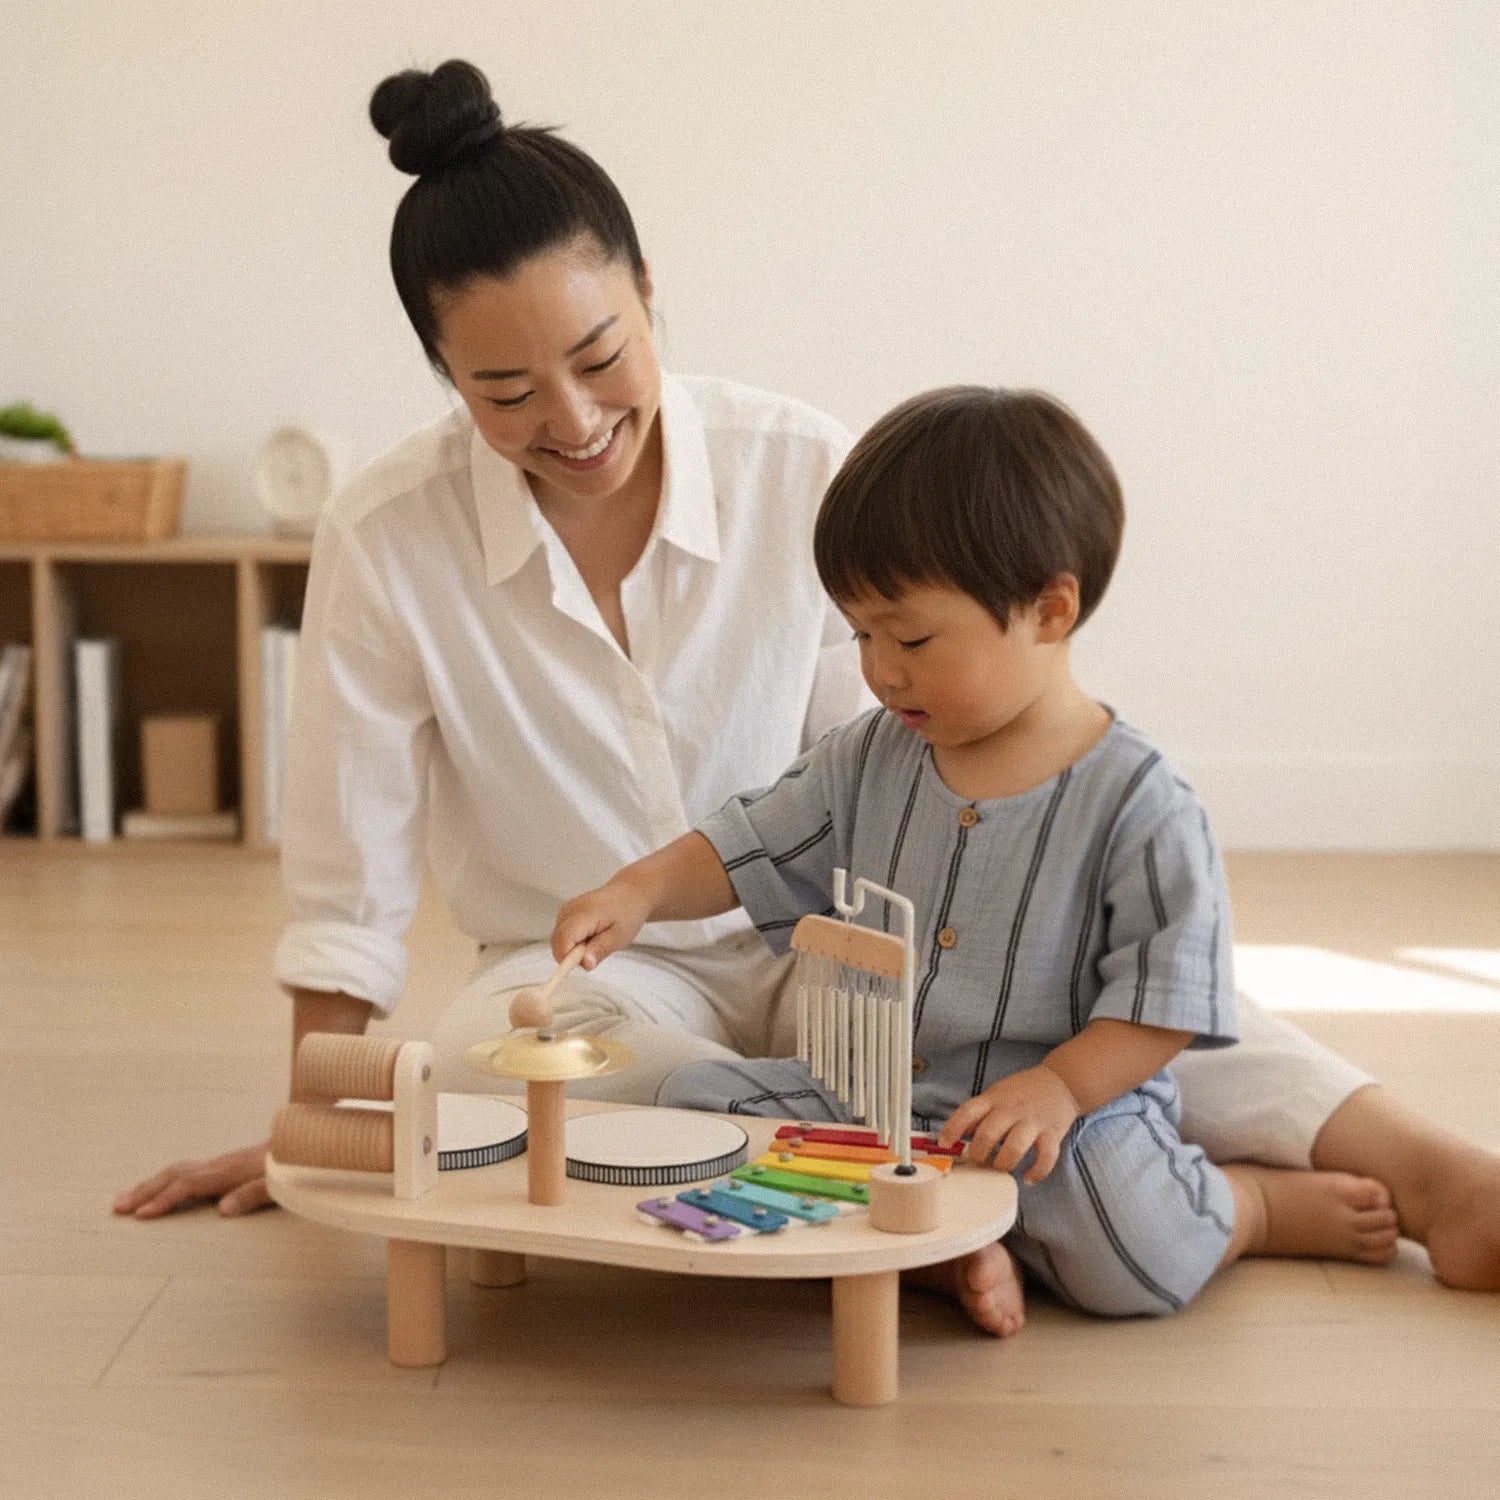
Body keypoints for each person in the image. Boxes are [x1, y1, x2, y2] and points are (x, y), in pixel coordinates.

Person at [113, 61, 1500, 1307]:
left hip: (855, 944)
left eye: (601, 356)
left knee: (1088, 999)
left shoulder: (800, 466)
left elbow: (905, 765)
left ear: (649, 292)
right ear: (443, 376)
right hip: (597, 979)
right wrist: (324, 1119)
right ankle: (930, 1218)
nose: (575, 421)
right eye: (506, 392)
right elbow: (347, 871)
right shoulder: (385, 534)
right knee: (490, 1073)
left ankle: (1431, 1172)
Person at [551, 386, 1409, 1333]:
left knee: (1131, 1253)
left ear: (1048, 610)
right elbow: (747, 841)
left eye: (911, 637)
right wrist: (639, 890)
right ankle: (944, 1249)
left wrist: (1062, 1088)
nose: (880, 669)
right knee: (696, 1114)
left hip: (1058, 1121)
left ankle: (1249, 1208)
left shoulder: (1139, 800)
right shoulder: (867, 754)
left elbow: (1166, 999)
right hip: (872, 1099)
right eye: (862, 633)